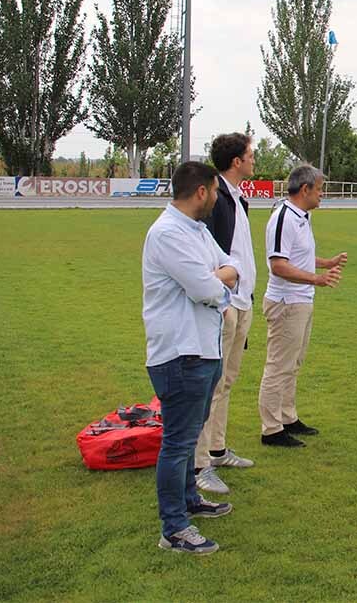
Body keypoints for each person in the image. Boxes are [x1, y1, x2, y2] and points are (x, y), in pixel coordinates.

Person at [142, 161, 239, 555]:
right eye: (214, 191)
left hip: (204, 348)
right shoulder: (167, 233)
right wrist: (216, 282)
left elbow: (232, 266)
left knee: (189, 434)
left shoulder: (197, 230)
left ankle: (189, 501)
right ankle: (174, 529)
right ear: (201, 191)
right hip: (180, 353)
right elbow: (206, 290)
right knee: (178, 442)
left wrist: (216, 278)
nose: (216, 198)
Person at [258, 165, 346, 447]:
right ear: (305, 189)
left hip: (301, 300)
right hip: (287, 302)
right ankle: (271, 429)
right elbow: (278, 265)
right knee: (279, 366)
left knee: (293, 364)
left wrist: (326, 263)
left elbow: (297, 255)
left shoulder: (301, 217)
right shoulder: (283, 217)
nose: (322, 194)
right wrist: (316, 279)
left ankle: (287, 417)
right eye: (319, 189)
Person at [193, 132, 258, 496]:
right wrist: (225, 298)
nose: (253, 160)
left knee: (227, 381)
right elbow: (209, 255)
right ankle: (199, 464)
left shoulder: (238, 198)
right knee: (212, 385)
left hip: (243, 300)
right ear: (236, 161)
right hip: (225, 303)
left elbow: (240, 251)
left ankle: (217, 450)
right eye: (250, 155)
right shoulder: (215, 200)